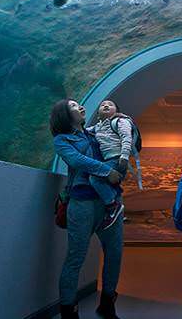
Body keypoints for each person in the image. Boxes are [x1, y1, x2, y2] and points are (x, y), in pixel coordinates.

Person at [51, 99, 124, 319]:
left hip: (110, 203)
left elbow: (117, 138)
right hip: (81, 204)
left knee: (115, 255)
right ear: (63, 115)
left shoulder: (94, 132)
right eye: (74, 106)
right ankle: (68, 311)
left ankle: (107, 304)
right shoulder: (61, 140)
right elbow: (76, 160)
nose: (81, 107)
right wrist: (106, 171)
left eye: (79, 104)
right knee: (76, 258)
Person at [88, 99, 134, 230]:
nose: (106, 105)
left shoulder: (120, 121)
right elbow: (83, 131)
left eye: (110, 104)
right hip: (109, 160)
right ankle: (114, 212)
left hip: (117, 159)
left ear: (117, 111)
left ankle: (113, 205)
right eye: (102, 105)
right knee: (106, 183)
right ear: (98, 113)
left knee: (95, 178)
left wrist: (124, 157)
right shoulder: (97, 127)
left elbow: (127, 138)